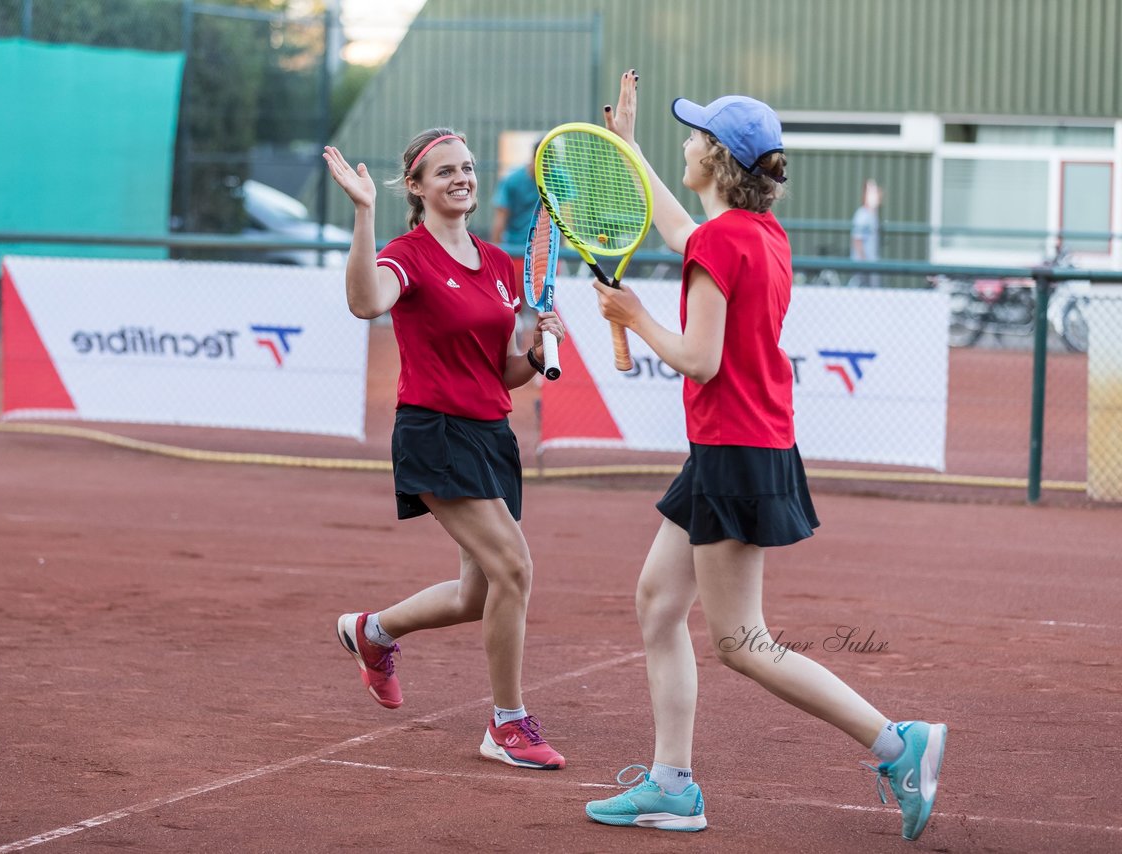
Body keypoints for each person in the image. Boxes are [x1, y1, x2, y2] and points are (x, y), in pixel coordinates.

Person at [582, 71, 947, 840]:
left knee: (743, 643)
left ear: (715, 160)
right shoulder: (757, 235)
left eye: (691, 137)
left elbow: (699, 358)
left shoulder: (726, 242)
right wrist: (630, 152)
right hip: (742, 445)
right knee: (657, 602)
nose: (685, 143)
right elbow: (683, 231)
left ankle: (897, 743)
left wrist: (634, 314)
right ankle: (671, 785)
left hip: (734, 449)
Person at [322, 129, 567, 770]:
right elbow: (363, 301)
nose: (461, 178)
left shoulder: (498, 263)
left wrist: (537, 356)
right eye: (445, 172)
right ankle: (506, 724)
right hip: (434, 433)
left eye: (467, 168)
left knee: (476, 596)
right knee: (515, 568)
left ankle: (373, 632)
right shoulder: (407, 253)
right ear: (418, 186)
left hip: (491, 434)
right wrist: (363, 211)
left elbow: (503, 369)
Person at [489, 140, 543, 273]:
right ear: (535, 157)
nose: (548, 166)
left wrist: (560, 253)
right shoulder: (512, 181)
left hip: (544, 255)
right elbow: (500, 219)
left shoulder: (558, 179)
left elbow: (561, 218)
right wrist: (494, 259)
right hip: (516, 252)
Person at [850, 178, 883, 287]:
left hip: (872, 263)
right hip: (864, 266)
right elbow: (857, 240)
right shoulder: (862, 215)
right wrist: (864, 263)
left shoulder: (873, 215)